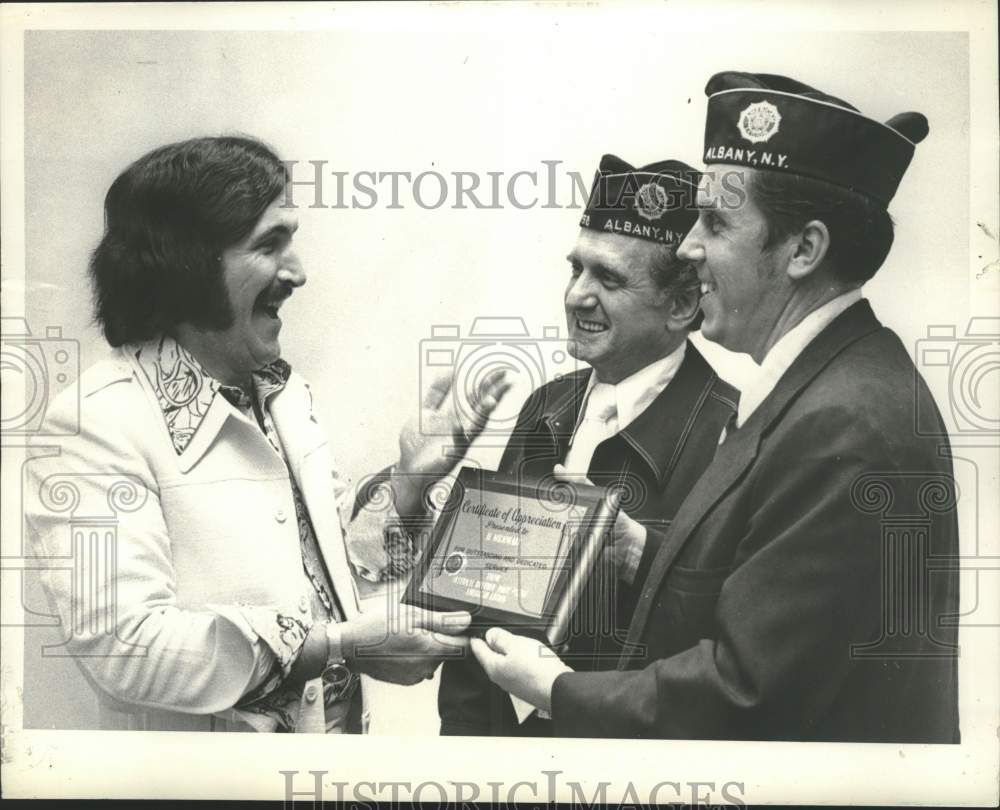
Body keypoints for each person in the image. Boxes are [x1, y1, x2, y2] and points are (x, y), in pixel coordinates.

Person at [472, 72, 960, 743]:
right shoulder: (835, 386)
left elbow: (748, 692)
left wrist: (553, 689)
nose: (689, 246)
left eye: (716, 223)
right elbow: (770, 611)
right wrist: (644, 552)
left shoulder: (842, 421)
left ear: (804, 250)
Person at [23, 136, 510, 733]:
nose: (299, 272)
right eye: (269, 244)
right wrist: (339, 646)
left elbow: (332, 567)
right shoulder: (92, 421)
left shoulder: (283, 393)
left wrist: (408, 485)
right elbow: (123, 648)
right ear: (188, 264)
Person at [438, 155, 737, 736]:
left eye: (610, 278)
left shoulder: (732, 429)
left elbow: (733, 647)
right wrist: (463, 753)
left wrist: (637, 555)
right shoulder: (546, 407)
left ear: (681, 307)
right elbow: (479, 598)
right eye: (575, 269)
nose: (577, 296)